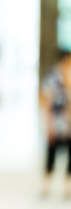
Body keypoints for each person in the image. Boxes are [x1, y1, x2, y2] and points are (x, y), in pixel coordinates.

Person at [40, 50, 71, 197]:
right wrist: (48, 123)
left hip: (69, 121)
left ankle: (67, 186)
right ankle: (46, 185)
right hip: (56, 119)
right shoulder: (52, 76)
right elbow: (47, 100)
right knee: (52, 151)